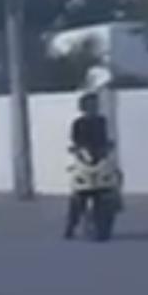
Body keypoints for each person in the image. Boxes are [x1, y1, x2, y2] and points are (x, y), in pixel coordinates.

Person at [63, 92, 113, 239]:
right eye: (89, 105)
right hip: (84, 160)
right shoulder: (78, 123)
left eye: (94, 105)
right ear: (83, 107)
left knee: (113, 182)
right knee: (77, 195)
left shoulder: (102, 121)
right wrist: (77, 150)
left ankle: (112, 210)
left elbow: (105, 138)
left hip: (101, 158)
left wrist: (107, 148)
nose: (92, 108)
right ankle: (71, 226)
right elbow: (75, 141)